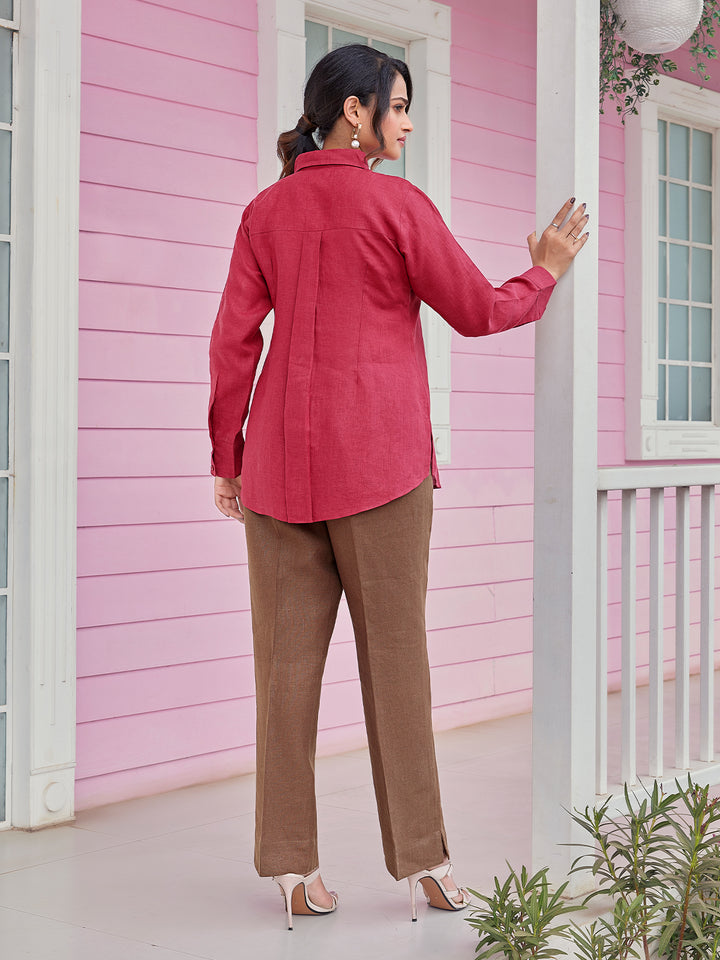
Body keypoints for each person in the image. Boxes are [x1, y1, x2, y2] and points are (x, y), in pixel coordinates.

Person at [208, 43, 588, 930]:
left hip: (274, 473)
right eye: (399, 105)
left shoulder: (264, 211)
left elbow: (233, 340)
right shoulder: (396, 204)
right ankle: (426, 868)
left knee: (284, 672)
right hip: (380, 466)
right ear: (354, 109)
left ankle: (293, 875)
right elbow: (479, 309)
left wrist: (227, 457)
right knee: (398, 665)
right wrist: (545, 270)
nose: (408, 122)